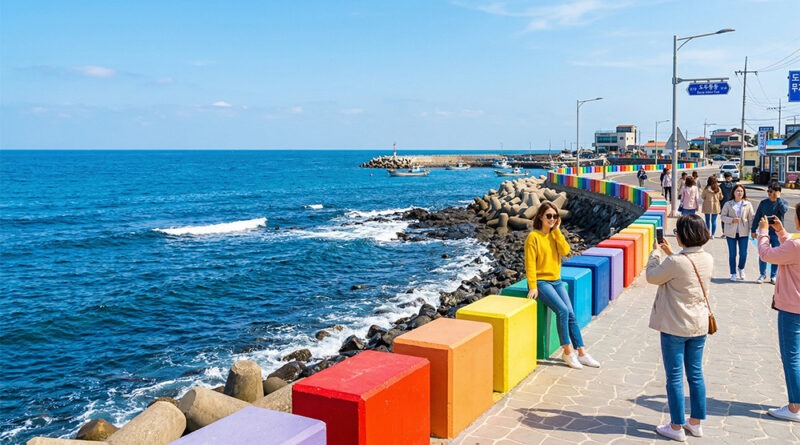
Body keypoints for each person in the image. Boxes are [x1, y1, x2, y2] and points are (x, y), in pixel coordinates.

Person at [646, 214, 713, 441]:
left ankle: (676, 427)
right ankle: (695, 423)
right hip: (698, 325)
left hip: (675, 326)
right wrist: (671, 253)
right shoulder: (708, 258)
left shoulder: (675, 262)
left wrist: (656, 253)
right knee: (696, 374)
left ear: (684, 235)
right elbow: (685, 269)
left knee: (674, 377)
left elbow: (652, 276)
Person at [524, 202, 600, 370]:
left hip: (556, 280)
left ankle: (582, 352)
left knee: (571, 313)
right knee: (562, 311)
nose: (552, 219)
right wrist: (533, 286)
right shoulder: (533, 237)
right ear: (540, 217)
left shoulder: (554, 234)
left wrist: (557, 230)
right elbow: (529, 264)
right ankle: (567, 351)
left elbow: (565, 251)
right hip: (542, 282)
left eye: (555, 216)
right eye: (549, 216)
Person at [756, 203, 800, 422]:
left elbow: (767, 255)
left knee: (791, 357)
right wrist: (781, 232)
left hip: (793, 309)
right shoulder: (794, 245)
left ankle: (795, 407)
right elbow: (790, 251)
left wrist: (763, 232)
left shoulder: (796, 246)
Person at [751, 182, 790, 284]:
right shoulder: (763, 203)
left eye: (771, 191)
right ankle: (762, 274)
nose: (769, 193)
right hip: (765, 232)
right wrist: (753, 230)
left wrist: (778, 199)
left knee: (777, 254)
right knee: (762, 253)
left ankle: (773, 275)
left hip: (777, 233)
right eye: (768, 191)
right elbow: (757, 216)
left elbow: (784, 210)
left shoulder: (783, 202)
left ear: (777, 192)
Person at [720, 184, 755, 281]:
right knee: (732, 254)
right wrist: (732, 220)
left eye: (741, 191)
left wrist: (753, 230)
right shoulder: (728, 204)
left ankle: (741, 268)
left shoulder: (748, 204)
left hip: (743, 232)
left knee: (743, 254)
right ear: (734, 193)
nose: (740, 193)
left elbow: (751, 218)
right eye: (738, 191)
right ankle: (733, 273)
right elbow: (722, 216)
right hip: (731, 232)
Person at [718, 172, 735, 236]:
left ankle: (724, 232)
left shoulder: (721, 185)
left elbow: (719, 196)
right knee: (731, 218)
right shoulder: (734, 185)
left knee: (723, 218)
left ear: (725, 178)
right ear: (730, 177)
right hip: (732, 203)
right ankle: (730, 231)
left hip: (723, 203)